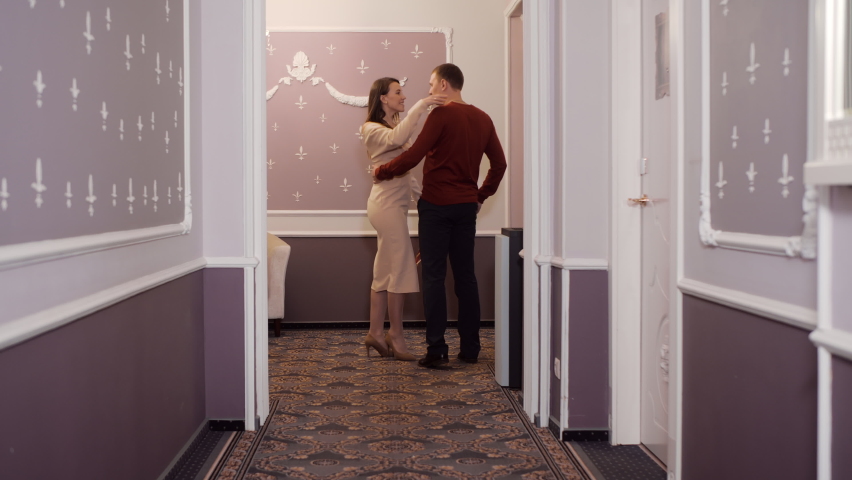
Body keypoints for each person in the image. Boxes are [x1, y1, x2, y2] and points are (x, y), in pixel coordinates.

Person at [373, 64, 507, 369]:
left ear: (444, 84)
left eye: (432, 84)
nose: (430, 90)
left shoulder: (441, 115)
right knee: (465, 276)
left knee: (434, 277)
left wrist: (382, 171)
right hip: (465, 207)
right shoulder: (483, 118)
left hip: (436, 206)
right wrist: (480, 196)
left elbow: (413, 156)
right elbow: (499, 165)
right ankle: (470, 349)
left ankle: (437, 350)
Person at [360, 77, 447, 361]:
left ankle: (376, 332)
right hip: (384, 206)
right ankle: (395, 334)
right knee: (399, 269)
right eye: (398, 92)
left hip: (394, 207)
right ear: (383, 98)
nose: (404, 96)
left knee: (386, 270)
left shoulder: (394, 128)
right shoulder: (371, 129)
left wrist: (425, 202)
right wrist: (422, 105)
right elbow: (396, 140)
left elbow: (407, 174)